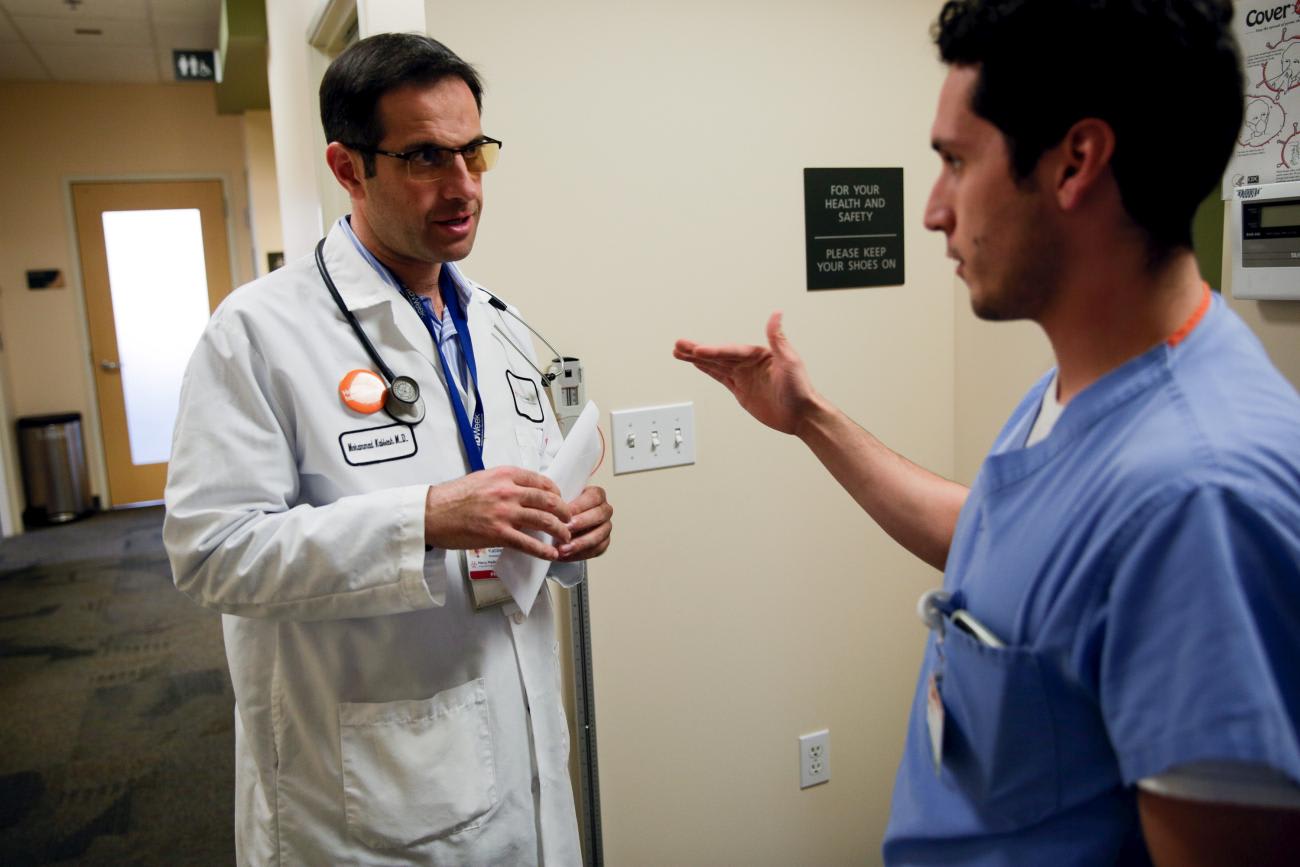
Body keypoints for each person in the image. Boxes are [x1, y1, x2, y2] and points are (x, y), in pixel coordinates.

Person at [675, 1, 1300, 864]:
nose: (933, 211)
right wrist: (810, 418)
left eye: (957, 162)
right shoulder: (1087, 387)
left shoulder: (1200, 497)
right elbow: (1011, 546)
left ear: (1075, 162)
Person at [164, 33, 611, 865]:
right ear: (348, 167)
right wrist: (425, 518)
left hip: (519, 762)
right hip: (370, 798)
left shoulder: (500, 326)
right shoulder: (257, 333)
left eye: (474, 152)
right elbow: (212, 552)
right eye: (426, 157)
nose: (464, 185)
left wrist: (571, 530)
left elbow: (526, 502)